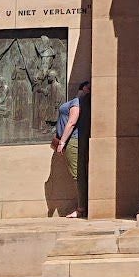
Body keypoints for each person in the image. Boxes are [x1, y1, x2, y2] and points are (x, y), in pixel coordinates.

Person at [52, 79, 91, 216]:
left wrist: (62, 142)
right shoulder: (76, 101)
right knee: (77, 174)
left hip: (72, 140)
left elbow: (71, 123)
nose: (89, 90)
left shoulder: (78, 103)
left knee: (77, 175)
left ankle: (81, 209)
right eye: (88, 87)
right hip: (70, 140)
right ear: (83, 88)